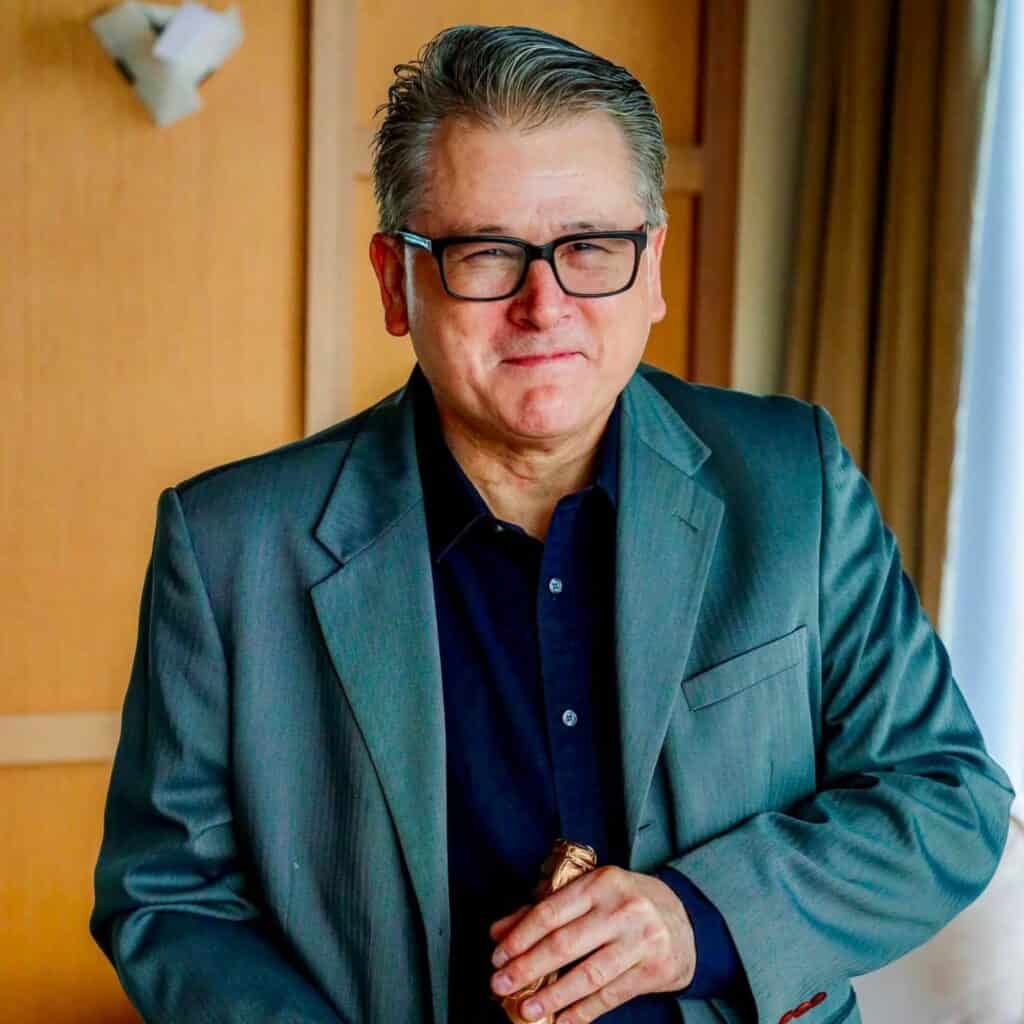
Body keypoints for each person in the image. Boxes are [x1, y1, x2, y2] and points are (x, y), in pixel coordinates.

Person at [90, 24, 1015, 1024]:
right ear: (395, 280)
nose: (545, 304)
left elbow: (944, 797)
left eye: (588, 248)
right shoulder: (228, 541)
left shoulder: (794, 478)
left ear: (650, 265)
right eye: (486, 253)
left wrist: (694, 919)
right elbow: (167, 897)